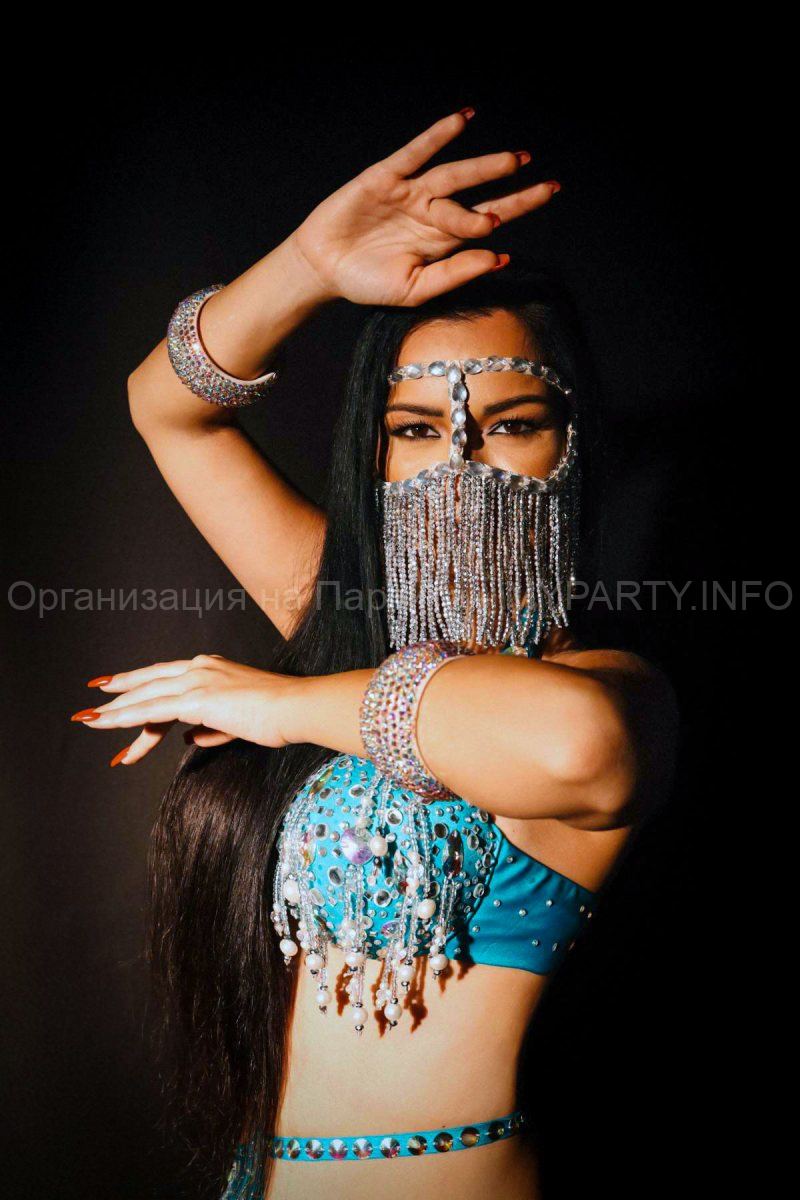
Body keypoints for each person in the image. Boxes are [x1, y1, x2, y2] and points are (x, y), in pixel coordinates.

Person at [71, 108, 678, 1199]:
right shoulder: (342, 613)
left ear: (571, 443)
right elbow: (164, 410)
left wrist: (276, 705)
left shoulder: (600, 687)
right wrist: (306, 268)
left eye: (512, 422)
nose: (460, 459)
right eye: (415, 428)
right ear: (375, 451)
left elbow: (576, 748)